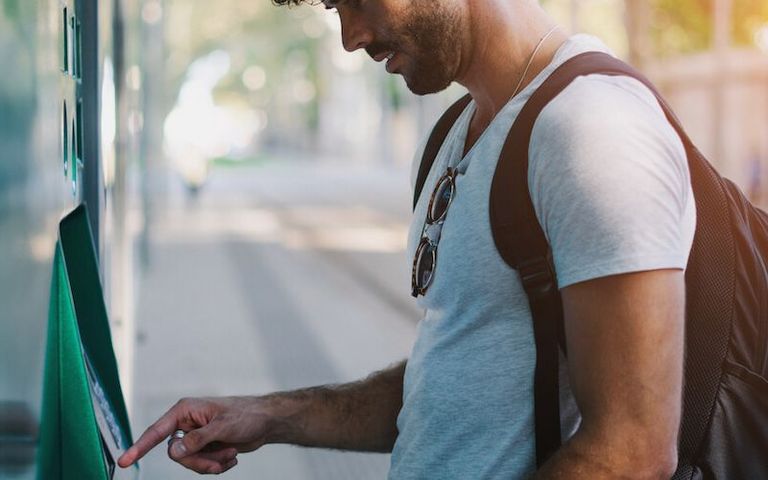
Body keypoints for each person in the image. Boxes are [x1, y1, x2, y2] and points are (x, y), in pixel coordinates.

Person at [118, 0, 695, 477]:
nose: (350, 36)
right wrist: (268, 415)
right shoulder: (459, 131)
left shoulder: (593, 128)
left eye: (357, 0)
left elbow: (632, 453)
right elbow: (451, 382)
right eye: (333, 8)